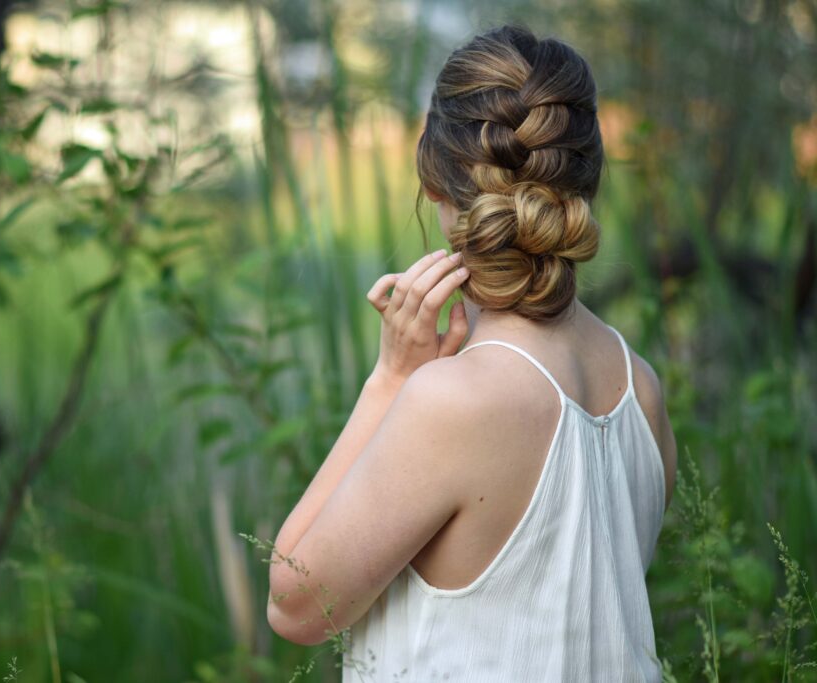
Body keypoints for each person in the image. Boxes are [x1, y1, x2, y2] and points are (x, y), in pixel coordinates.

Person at [266, 23, 678, 682]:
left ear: (436, 185)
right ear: (585, 180)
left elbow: (295, 605)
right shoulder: (642, 387)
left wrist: (391, 379)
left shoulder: (452, 400)